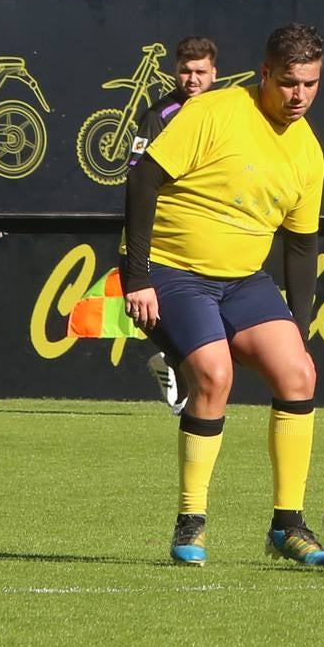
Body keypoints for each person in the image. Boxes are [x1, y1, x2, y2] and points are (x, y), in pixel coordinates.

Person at [122, 23, 324, 567]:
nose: (299, 96)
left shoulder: (308, 153)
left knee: (299, 374)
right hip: (176, 270)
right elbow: (144, 179)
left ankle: (287, 526)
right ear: (265, 73)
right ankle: (191, 521)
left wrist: (297, 333)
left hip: (242, 280)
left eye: (310, 83)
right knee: (215, 375)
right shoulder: (215, 111)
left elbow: (301, 248)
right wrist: (136, 273)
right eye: (289, 82)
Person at [125, 36, 220, 416]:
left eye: (200, 71)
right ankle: (178, 366)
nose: (192, 78)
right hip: (168, 229)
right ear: (174, 71)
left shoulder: (222, 110)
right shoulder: (159, 114)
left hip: (213, 226)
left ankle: (177, 364)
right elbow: (137, 178)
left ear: (215, 73)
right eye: (185, 70)